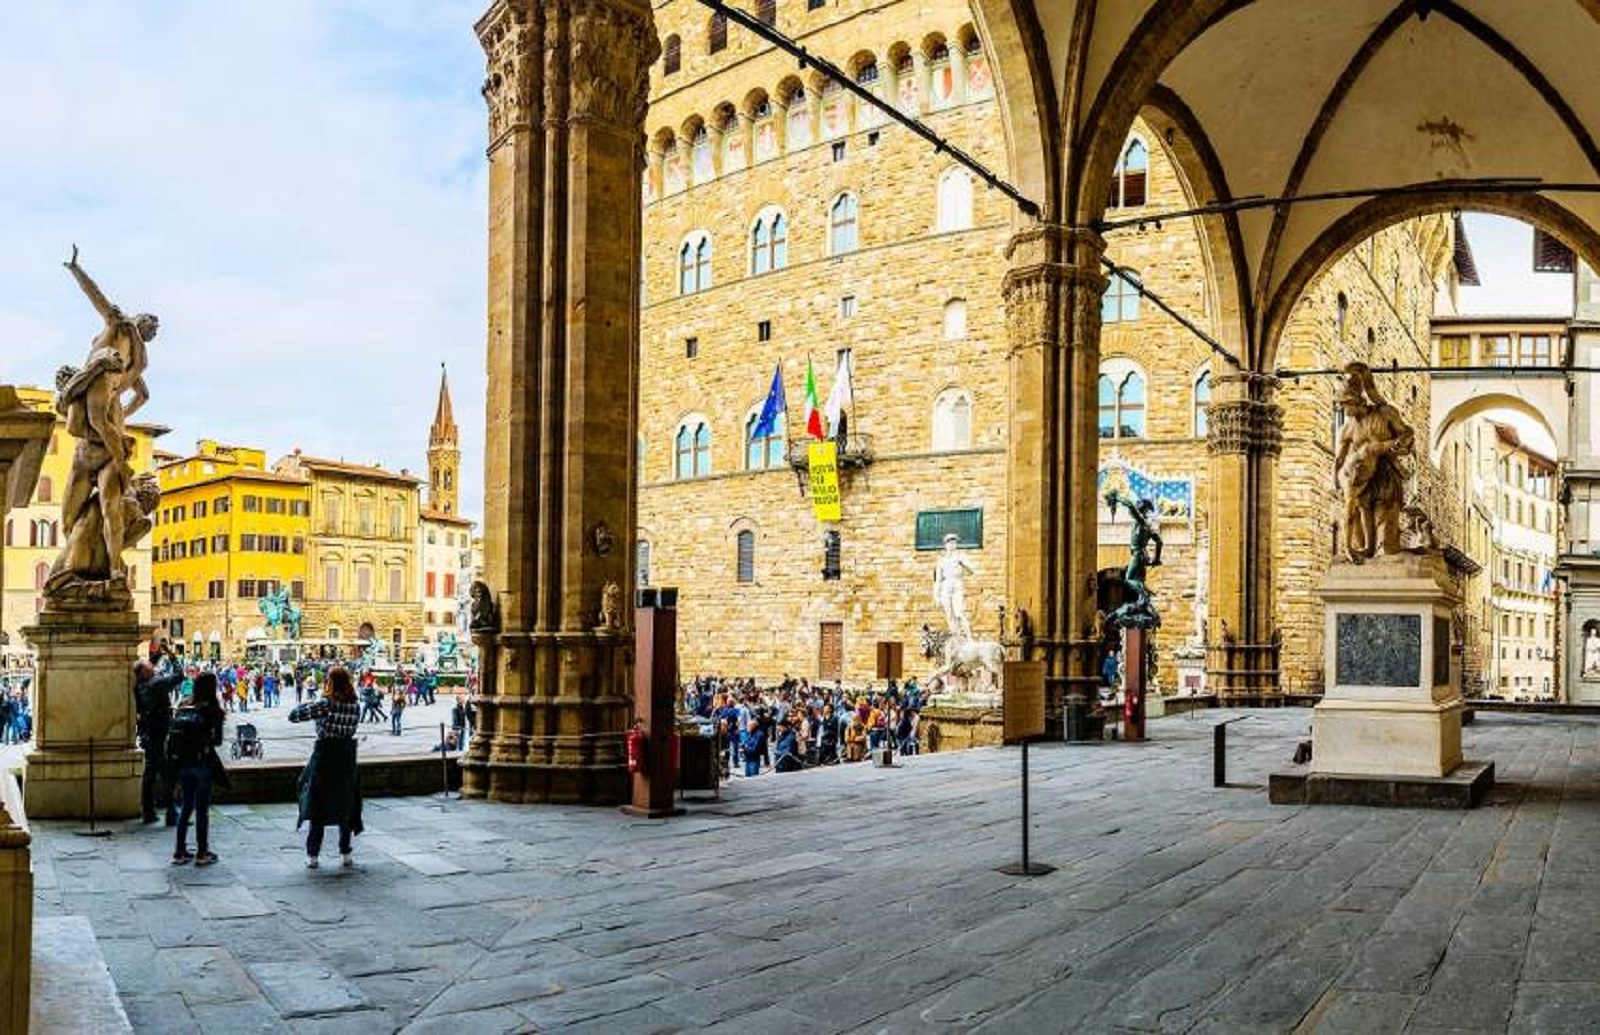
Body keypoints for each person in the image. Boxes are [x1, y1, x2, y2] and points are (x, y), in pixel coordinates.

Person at [288, 665, 364, 869]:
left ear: (329, 682)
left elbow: (293, 716)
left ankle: (313, 854)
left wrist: (311, 703)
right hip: (347, 759)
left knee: (317, 804)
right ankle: (346, 852)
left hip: (326, 758)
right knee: (344, 803)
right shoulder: (355, 705)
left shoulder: (326, 704)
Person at [167, 674, 225, 866]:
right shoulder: (214, 710)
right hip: (203, 763)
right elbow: (217, 741)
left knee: (185, 807)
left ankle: (179, 851)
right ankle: (202, 853)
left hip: (183, 763)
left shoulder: (184, 705)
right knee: (202, 810)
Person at [134, 658, 183, 825]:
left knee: (150, 773)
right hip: (161, 734)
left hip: (148, 733)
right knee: (167, 773)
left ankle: (148, 811)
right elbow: (179, 676)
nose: (152, 666)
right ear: (144, 672)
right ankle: (171, 812)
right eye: (149, 665)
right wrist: (172, 656)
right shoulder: (156, 683)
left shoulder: (138, 686)